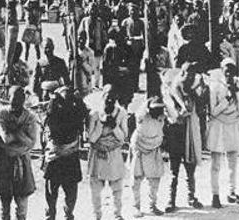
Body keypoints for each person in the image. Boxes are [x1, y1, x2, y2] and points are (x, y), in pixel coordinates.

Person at [162, 65, 206, 212]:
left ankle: (191, 197)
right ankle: (171, 199)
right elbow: (173, 115)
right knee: (174, 171)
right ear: (182, 74)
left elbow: (199, 111)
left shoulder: (192, 93)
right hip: (175, 133)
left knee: (190, 168)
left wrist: (201, 94)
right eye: (188, 75)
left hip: (189, 132)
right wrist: (181, 111)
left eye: (193, 76)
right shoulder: (171, 92)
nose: (190, 79)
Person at [204, 58, 239, 207]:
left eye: (232, 70)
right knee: (216, 164)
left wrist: (236, 92)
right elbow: (213, 111)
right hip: (218, 125)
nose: (229, 73)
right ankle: (215, 195)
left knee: (233, 162)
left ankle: (232, 191)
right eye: (226, 70)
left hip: (232, 124)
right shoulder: (214, 85)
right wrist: (227, 97)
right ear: (222, 70)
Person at [43, 86, 87, 220]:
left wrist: (54, 99)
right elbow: (84, 112)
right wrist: (78, 100)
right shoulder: (70, 112)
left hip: (60, 155)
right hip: (64, 155)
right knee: (64, 190)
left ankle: (58, 214)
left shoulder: (58, 112)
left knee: (59, 190)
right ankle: (59, 214)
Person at [0, 87, 39, 220]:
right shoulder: (2, 114)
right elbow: (6, 138)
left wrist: (15, 132)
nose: (16, 103)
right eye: (14, 99)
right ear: (9, 98)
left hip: (22, 162)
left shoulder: (30, 116)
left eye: (19, 100)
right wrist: (22, 134)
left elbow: (32, 143)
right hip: (5, 162)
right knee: (5, 206)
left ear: (24, 100)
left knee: (21, 206)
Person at [88, 86, 128, 220]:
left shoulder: (121, 113)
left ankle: (117, 214)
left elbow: (123, 137)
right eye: (107, 97)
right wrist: (100, 124)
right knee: (96, 188)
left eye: (112, 97)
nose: (109, 100)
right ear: (102, 96)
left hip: (113, 153)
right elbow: (92, 138)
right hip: (98, 154)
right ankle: (97, 215)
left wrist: (114, 126)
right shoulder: (94, 114)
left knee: (117, 186)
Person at [130, 95, 167, 217]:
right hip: (140, 147)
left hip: (154, 147)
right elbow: (138, 111)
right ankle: (136, 206)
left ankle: (153, 205)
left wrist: (163, 101)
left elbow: (172, 113)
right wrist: (149, 102)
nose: (157, 111)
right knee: (136, 178)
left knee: (155, 178)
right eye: (154, 109)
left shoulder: (162, 117)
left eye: (159, 109)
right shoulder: (142, 116)